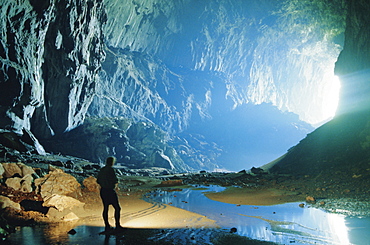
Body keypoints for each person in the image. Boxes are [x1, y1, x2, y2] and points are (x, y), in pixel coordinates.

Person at [97, 156, 123, 231]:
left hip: (103, 191)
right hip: (110, 191)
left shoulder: (102, 170)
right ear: (112, 162)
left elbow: (98, 181)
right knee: (117, 208)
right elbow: (115, 180)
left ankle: (107, 226)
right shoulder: (111, 170)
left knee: (105, 208)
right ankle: (117, 225)